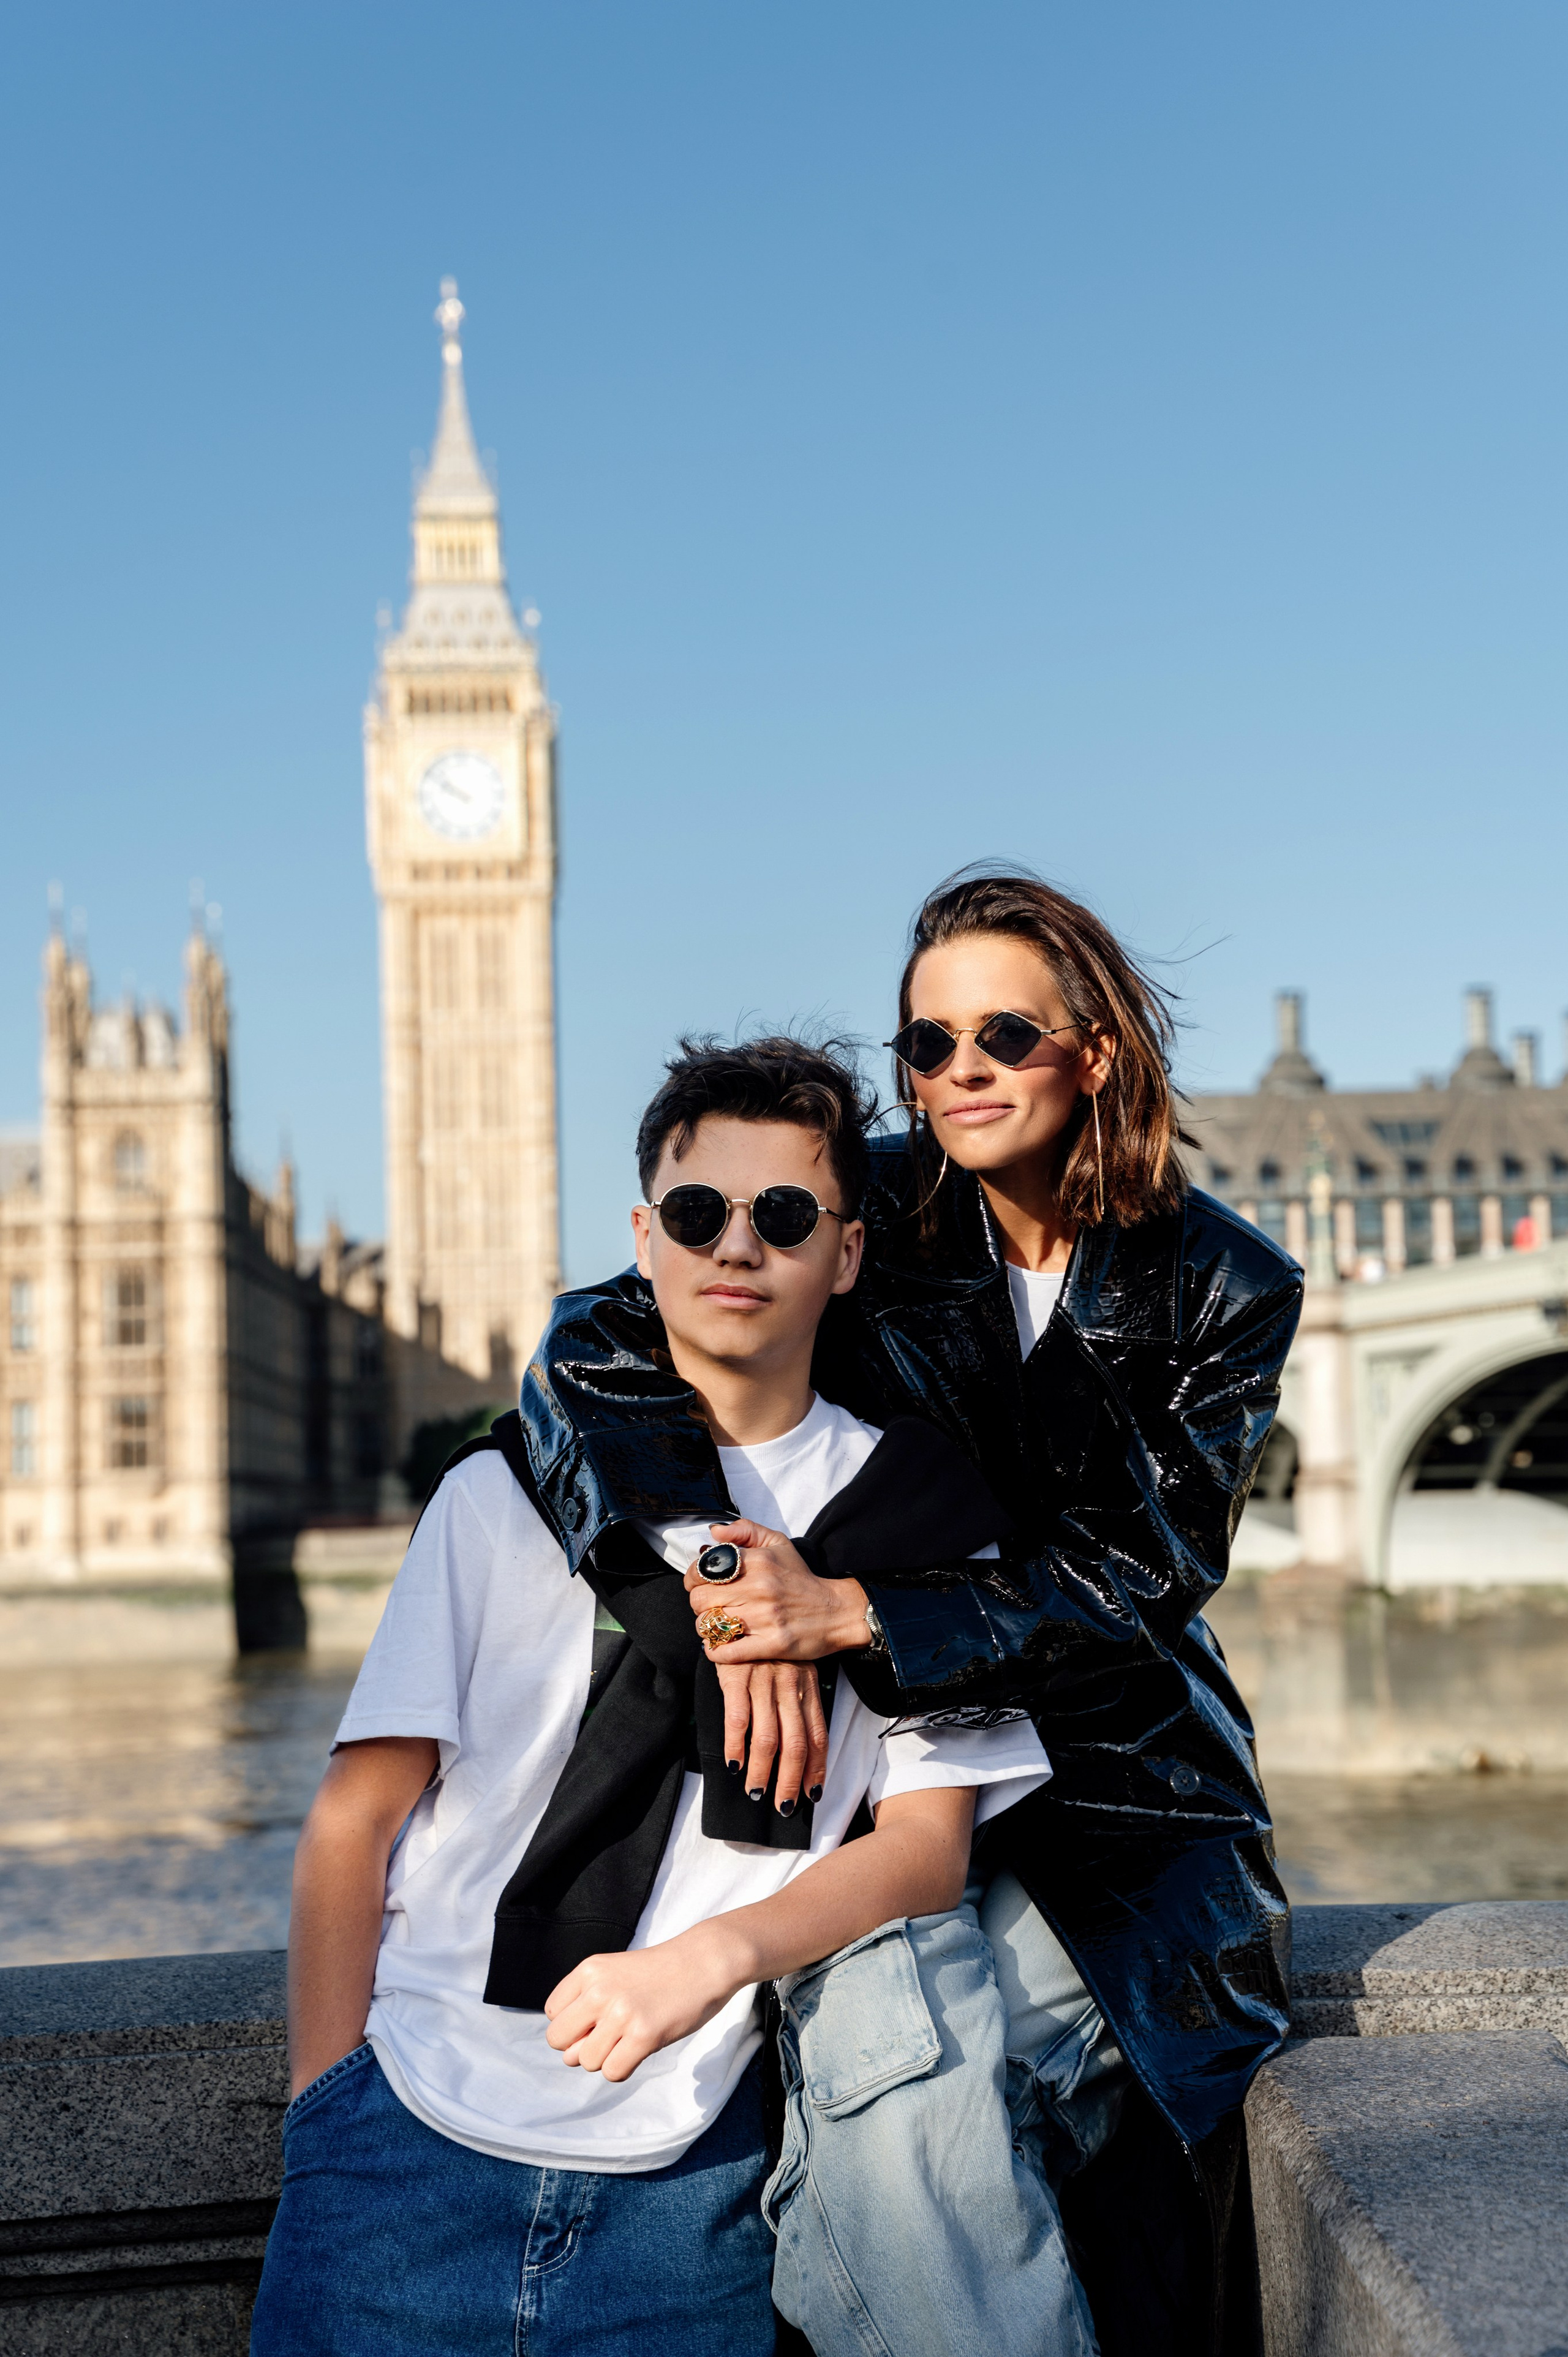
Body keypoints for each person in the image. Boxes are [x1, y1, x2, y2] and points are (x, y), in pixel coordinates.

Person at [522, 869, 1305, 2357]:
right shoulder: (864, 1200)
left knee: (884, 2074)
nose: (957, 1074)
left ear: (1094, 1048)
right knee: (889, 2059)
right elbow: (591, 1338)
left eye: (1000, 1037)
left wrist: (850, 1612)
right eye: (925, 1045)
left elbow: (1140, 1578)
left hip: (1121, 1811)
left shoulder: (1222, 1283)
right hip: (903, 1780)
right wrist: (717, 1570)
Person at [251, 1035, 1055, 2357]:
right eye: (698, 1212)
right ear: (644, 1238)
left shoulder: (920, 1527)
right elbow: (357, 1815)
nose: (736, 1245)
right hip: (401, 2155)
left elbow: (923, 1853)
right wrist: (326, 2109)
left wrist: (708, 1960)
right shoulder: (501, 1494)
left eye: (783, 1214)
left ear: (843, 1254)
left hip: (689, 2185)